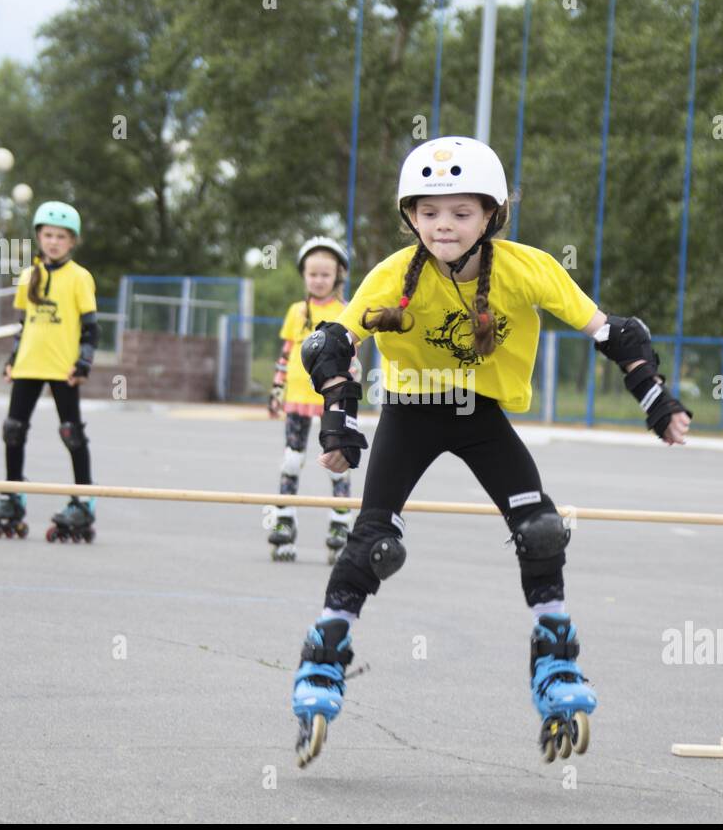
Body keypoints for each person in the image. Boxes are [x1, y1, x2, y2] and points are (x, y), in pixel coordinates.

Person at [287, 137, 691, 766]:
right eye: (428, 213)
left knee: (541, 530)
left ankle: (555, 664)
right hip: (410, 412)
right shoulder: (392, 275)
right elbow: (329, 347)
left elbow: (615, 333)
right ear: (410, 217)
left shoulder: (528, 268)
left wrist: (657, 401)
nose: (442, 225)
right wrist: (338, 422)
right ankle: (323, 658)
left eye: (461, 213)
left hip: (481, 415)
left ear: (492, 216)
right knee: (375, 542)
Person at [0, 201, 99, 544]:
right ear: (38, 237)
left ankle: (83, 500)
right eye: (48, 235)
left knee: (72, 433)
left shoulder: (80, 278)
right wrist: (12, 359)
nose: (54, 242)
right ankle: (12, 496)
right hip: (29, 364)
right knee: (13, 430)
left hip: (63, 368)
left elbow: (91, 330)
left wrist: (83, 363)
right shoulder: (28, 276)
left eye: (61, 236)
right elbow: (23, 325)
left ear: (72, 241)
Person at [265, 238, 355, 563]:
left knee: (337, 461)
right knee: (291, 459)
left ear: (337, 276)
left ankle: (340, 526)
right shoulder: (297, 312)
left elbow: (352, 357)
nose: (318, 280)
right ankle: (284, 521)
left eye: (325, 275)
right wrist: (276, 390)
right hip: (297, 397)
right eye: (312, 274)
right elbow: (286, 353)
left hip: (331, 399)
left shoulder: (345, 312)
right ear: (304, 275)